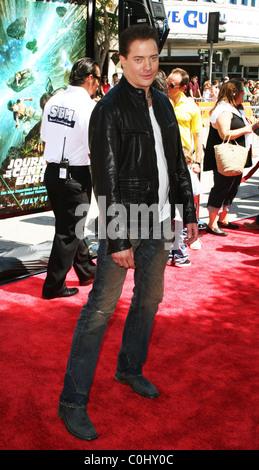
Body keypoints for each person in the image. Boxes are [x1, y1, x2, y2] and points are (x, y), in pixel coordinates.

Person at [57, 24, 198, 441]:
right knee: (100, 308)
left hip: (158, 218)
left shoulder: (163, 102)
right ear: (120, 62)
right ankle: (72, 401)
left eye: (154, 58)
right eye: (138, 58)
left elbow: (176, 163)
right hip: (127, 218)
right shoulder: (109, 109)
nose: (148, 66)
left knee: (151, 297)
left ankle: (130, 368)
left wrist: (188, 211)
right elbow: (106, 178)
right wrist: (118, 239)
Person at [40, 57, 99, 299]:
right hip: (75, 174)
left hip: (53, 172)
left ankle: (85, 270)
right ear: (89, 79)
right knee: (69, 230)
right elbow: (91, 148)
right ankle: (53, 286)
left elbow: (44, 136)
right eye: (98, 79)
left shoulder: (54, 100)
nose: (98, 85)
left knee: (70, 225)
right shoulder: (89, 107)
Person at [204, 78, 253, 236]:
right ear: (234, 92)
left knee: (232, 188)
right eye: (242, 92)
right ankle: (212, 223)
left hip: (236, 157)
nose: (244, 95)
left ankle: (222, 219)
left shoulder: (235, 109)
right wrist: (248, 128)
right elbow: (225, 134)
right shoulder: (224, 110)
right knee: (221, 188)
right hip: (225, 158)